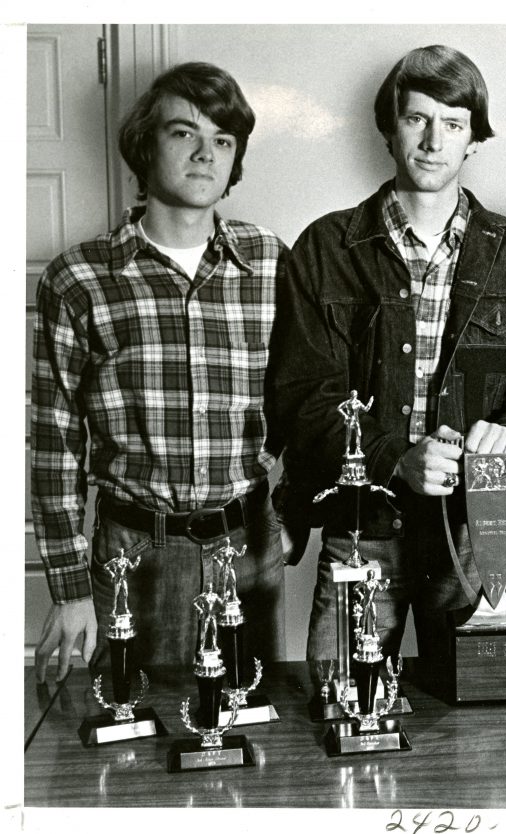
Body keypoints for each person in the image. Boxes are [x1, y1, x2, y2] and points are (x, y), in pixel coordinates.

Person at [267, 45, 506, 664]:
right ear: (389, 129)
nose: (434, 141)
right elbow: (303, 396)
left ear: (473, 141)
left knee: (476, 730)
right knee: (344, 711)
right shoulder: (327, 247)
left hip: (473, 531)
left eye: (454, 123)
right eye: (417, 119)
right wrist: (394, 460)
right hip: (363, 527)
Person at [31, 62, 289, 680]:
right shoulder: (79, 278)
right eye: (184, 134)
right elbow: (54, 443)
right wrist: (69, 590)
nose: (206, 154)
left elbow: (304, 396)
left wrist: (296, 509)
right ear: (146, 146)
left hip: (248, 545)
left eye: (222, 141)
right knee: (136, 742)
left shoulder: (272, 262)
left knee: (253, 737)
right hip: (133, 552)